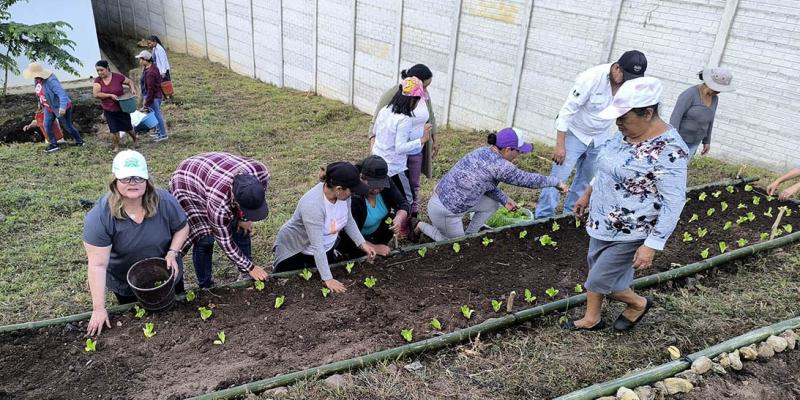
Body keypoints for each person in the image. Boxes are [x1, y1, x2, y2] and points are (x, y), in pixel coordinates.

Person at [566, 77, 688, 332]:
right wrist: (587, 193)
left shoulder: (669, 150)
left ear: (648, 113)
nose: (618, 123)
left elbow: (673, 201)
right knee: (596, 269)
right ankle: (592, 318)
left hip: (633, 228)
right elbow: (607, 167)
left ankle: (638, 304)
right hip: (602, 218)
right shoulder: (625, 134)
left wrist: (652, 244)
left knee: (600, 280)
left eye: (624, 118)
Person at [84, 150, 189, 335]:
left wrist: (173, 252)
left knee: (176, 315)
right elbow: (98, 265)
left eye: (139, 178)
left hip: (167, 273)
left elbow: (182, 227)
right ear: (115, 180)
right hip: (127, 282)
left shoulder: (163, 200)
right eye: (126, 178)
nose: (133, 183)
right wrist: (99, 308)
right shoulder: (100, 217)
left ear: (147, 180)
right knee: (139, 324)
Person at [535, 50, 648, 219]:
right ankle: (542, 218)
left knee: (585, 180)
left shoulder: (629, 86)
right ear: (617, 68)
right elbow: (567, 110)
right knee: (557, 180)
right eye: (626, 76)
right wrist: (560, 144)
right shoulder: (591, 78)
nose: (627, 82)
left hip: (599, 138)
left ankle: (569, 216)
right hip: (576, 133)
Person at [416, 128, 567, 241]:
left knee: (492, 204)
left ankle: (471, 235)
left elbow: (485, 184)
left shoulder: (483, 151)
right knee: (455, 245)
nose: (519, 155)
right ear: (508, 150)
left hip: (449, 201)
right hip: (445, 211)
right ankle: (420, 226)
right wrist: (556, 182)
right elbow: (529, 180)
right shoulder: (501, 166)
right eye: (518, 151)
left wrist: (504, 199)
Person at [272, 162, 379, 294]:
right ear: (339, 189)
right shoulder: (313, 206)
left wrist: (362, 243)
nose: (354, 193)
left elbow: (348, 220)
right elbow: (317, 246)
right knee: (291, 286)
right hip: (297, 250)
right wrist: (328, 279)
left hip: (324, 249)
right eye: (352, 190)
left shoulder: (344, 196)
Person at [169, 152, 271, 288]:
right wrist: (251, 267)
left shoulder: (260, 172)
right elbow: (225, 242)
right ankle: (206, 285)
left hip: (214, 169)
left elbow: (251, 203)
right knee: (205, 240)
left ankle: (244, 273)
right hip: (188, 182)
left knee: (241, 228)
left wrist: (244, 218)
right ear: (235, 200)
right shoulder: (219, 201)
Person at [369, 64, 437, 217]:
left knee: (380, 194)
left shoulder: (385, 111)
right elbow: (400, 148)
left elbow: (375, 132)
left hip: (380, 161)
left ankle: (383, 222)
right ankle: (407, 225)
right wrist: (422, 140)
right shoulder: (404, 119)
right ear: (411, 100)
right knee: (406, 199)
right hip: (395, 167)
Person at [336, 155, 411, 259]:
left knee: (392, 218)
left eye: (380, 185)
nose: (376, 190)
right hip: (354, 242)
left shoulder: (387, 184)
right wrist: (374, 247)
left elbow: (404, 204)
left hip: (375, 234)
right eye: (372, 185)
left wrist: (399, 219)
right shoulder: (353, 197)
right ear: (362, 178)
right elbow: (345, 233)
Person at [669, 67, 734, 158]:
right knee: (673, 168)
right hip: (679, 141)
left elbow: (710, 120)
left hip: (695, 143)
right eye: (716, 89)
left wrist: (707, 141)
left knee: (682, 168)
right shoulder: (690, 93)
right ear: (709, 83)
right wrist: (674, 141)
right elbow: (675, 118)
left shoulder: (715, 98)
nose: (718, 92)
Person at [21, 62, 84, 153]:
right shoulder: (37, 80)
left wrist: (62, 107)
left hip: (60, 107)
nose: (34, 77)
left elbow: (61, 94)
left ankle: (80, 141)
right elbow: (40, 93)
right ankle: (54, 144)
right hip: (49, 107)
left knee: (67, 126)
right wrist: (41, 104)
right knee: (46, 125)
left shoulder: (51, 81)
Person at [93, 60, 139, 152]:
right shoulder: (98, 80)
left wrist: (132, 88)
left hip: (121, 108)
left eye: (101, 70)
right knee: (114, 130)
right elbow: (96, 94)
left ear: (107, 68)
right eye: (97, 70)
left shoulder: (117, 77)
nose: (99, 72)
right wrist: (109, 95)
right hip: (108, 110)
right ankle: (116, 146)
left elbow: (129, 81)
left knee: (128, 128)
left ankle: (135, 140)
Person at [136, 50, 168, 142]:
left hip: (153, 97)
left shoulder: (150, 73)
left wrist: (146, 102)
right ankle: (158, 132)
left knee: (157, 116)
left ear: (145, 60)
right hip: (154, 96)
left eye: (140, 59)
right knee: (154, 115)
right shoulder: (151, 68)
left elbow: (151, 89)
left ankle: (163, 135)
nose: (140, 61)